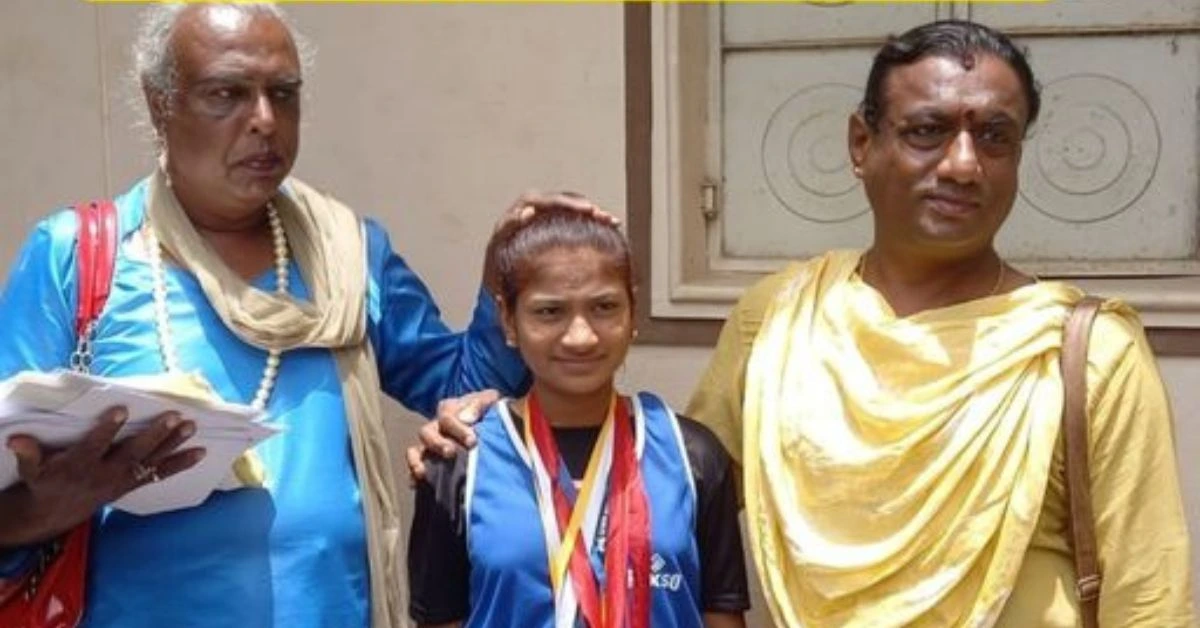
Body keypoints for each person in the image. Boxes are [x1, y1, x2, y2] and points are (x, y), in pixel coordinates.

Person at [415, 19, 1196, 628]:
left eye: (995, 136)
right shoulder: (782, 319)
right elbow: (665, 495)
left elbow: (1148, 594)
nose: (963, 163)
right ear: (863, 144)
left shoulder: (1083, 351)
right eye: (928, 130)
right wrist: (490, 441)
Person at [0, 4, 604, 627]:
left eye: (282, 94)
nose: (264, 120)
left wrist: (504, 277)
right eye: (227, 94)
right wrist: (35, 513)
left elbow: (460, 392)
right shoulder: (78, 258)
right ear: (160, 105)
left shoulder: (348, 255)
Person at [407, 208, 749, 628]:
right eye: (549, 312)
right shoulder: (460, 462)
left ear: (633, 313)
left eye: (605, 307)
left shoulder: (691, 455)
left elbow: (722, 616)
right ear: (508, 321)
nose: (581, 336)